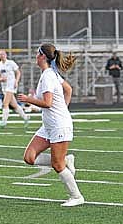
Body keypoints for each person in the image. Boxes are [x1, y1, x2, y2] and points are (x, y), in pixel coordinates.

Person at [17, 43, 84, 207]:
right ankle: (66, 160)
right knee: (29, 157)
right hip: (49, 126)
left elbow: (47, 103)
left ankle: (76, 196)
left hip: (58, 126)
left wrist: (28, 99)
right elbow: (68, 89)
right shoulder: (50, 73)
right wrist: (64, 110)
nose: (35, 56)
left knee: (57, 165)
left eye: (37, 53)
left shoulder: (48, 75)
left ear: (42, 57)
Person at [0, 49, 29, 127]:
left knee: (5, 104)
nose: (2, 56)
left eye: (3, 54)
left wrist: (16, 81)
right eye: (0, 54)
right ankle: (26, 117)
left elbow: (18, 72)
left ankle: (4, 121)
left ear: (6, 55)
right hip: (4, 86)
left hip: (10, 85)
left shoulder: (11, 63)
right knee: (14, 105)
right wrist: (0, 79)